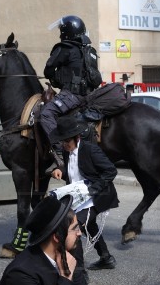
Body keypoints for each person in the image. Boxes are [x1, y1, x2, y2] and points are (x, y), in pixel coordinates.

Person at [50, 116, 119, 271]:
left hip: (96, 196)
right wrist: (60, 170)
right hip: (78, 197)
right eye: (62, 141)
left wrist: (94, 188)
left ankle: (79, 270)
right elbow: (74, 173)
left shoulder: (90, 149)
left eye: (67, 141)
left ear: (77, 137)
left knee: (74, 226)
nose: (64, 145)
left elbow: (111, 171)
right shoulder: (67, 152)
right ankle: (106, 257)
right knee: (90, 225)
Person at [39, 15, 103, 156]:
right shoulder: (90, 51)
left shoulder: (65, 48)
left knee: (46, 113)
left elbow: (48, 71)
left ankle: (59, 151)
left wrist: (56, 79)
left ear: (65, 32)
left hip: (72, 96)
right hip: (90, 96)